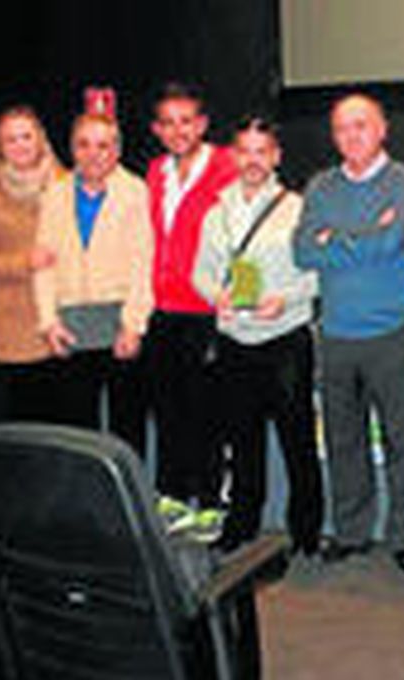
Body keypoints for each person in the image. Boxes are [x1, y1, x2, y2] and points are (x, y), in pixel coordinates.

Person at [293, 94, 404, 573]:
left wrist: (337, 237)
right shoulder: (320, 186)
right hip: (335, 335)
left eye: (361, 126)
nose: (351, 136)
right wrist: (363, 236)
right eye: (341, 129)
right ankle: (352, 532)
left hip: (393, 333)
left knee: (402, 441)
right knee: (343, 440)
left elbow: (391, 240)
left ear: (382, 129)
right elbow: (303, 251)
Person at [193, 117, 323, 556]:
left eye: (262, 151)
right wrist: (218, 297)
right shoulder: (216, 214)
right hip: (235, 340)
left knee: (297, 441)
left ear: (276, 157)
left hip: (285, 338)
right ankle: (243, 522)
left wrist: (285, 300)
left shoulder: (299, 208)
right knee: (242, 441)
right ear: (232, 156)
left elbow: (320, 275)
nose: (253, 160)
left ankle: (306, 531)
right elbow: (200, 274)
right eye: (245, 151)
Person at [30, 114, 152, 451]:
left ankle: (131, 497)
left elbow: (143, 263)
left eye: (103, 145)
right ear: (72, 148)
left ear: (117, 150)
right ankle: (83, 499)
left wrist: (133, 325)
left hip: (119, 319)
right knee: (76, 427)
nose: (93, 154)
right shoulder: (53, 194)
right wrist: (48, 322)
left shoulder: (135, 192)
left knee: (127, 423)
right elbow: (42, 266)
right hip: (70, 322)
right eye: (83, 144)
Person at [144, 82, 240, 508]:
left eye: (186, 121)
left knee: (208, 415)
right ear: (157, 130)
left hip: (207, 310)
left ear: (201, 125)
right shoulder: (154, 173)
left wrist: (239, 295)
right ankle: (173, 497)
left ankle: (210, 501)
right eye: (168, 123)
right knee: (168, 414)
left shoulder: (228, 167)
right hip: (161, 310)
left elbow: (247, 235)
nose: (178, 130)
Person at [0, 107, 66, 421]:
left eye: (26, 136)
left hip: (62, 313)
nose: (20, 145)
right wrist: (26, 261)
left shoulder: (65, 182)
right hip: (12, 320)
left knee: (60, 416)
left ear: (41, 139)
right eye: (10, 140)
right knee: (20, 418)